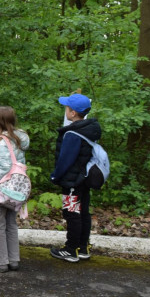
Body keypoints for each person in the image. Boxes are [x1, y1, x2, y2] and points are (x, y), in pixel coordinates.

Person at [50, 93, 101, 262]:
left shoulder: (72, 133)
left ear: (72, 113)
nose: (65, 110)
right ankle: (83, 247)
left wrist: (56, 176)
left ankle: (71, 249)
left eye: (67, 108)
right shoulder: (89, 129)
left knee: (72, 212)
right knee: (83, 212)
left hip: (72, 180)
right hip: (84, 178)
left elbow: (65, 160)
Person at [0, 107, 30, 272]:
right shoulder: (19, 139)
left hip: (2, 190)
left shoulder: (1, 141)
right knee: (11, 223)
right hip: (16, 190)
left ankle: (1, 261)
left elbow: (3, 168)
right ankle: (13, 259)